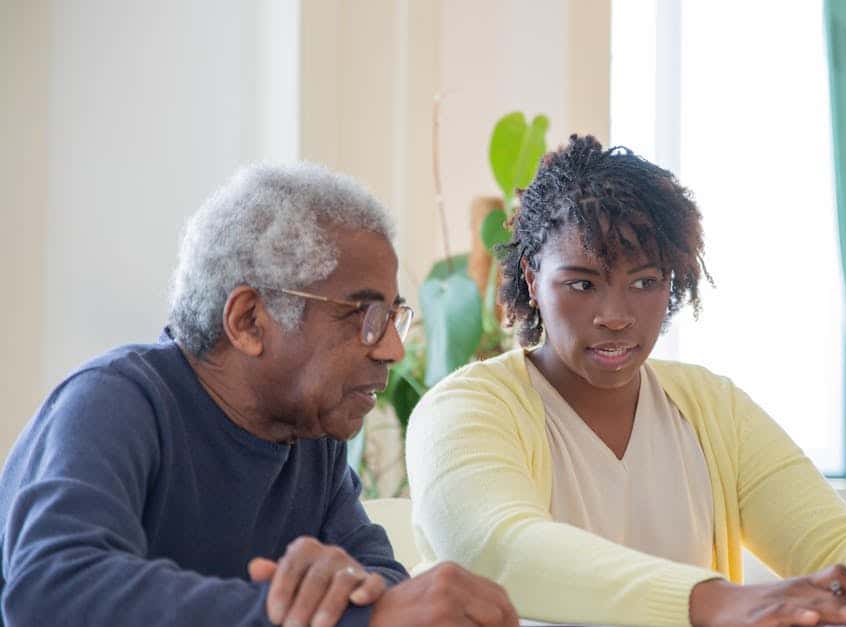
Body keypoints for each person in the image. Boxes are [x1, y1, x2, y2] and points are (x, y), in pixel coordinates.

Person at [406, 136, 846, 626]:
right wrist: (717, 603)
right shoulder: (463, 410)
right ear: (533, 279)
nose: (616, 314)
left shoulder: (710, 406)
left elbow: (828, 535)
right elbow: (501, 549)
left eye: (644, 281)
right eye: (581, 284)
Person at [0, 164, 517, 627]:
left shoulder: (312, 437)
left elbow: (378, 577)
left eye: (392, 316)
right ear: (248, 320)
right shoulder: (115, 401)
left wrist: (357, 597)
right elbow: (50, 590)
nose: (393, 348)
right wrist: (295, 611)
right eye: (365, 316)